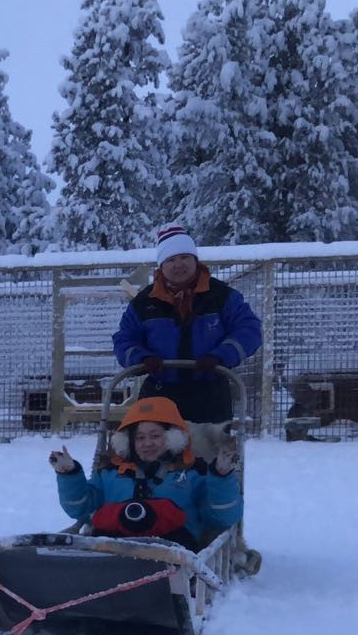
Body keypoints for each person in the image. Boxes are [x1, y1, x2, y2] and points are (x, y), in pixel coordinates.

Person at [113, 224, 262, 428]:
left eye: (184, 257)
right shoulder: (144, 303)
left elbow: (249, 330)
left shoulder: (221, 297)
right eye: (171, 259)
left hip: (210, 391)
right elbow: (124, 339)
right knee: (153, 451)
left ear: (195, 260)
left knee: (209, 454)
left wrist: (220, 356)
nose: (178, 264)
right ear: (161, 265)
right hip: (160, 390)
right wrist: (142, 358)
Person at [49, 396, 242, 551]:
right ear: (129, 442)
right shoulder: (110, 473)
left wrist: (221, 477)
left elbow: (222, 518)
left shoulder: (192, 472)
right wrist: (69, 473)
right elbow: (80, 509)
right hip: (111, 550)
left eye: (155, 436)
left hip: (171, 553)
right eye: (140, 438)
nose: (147, 443)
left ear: (172, 437)